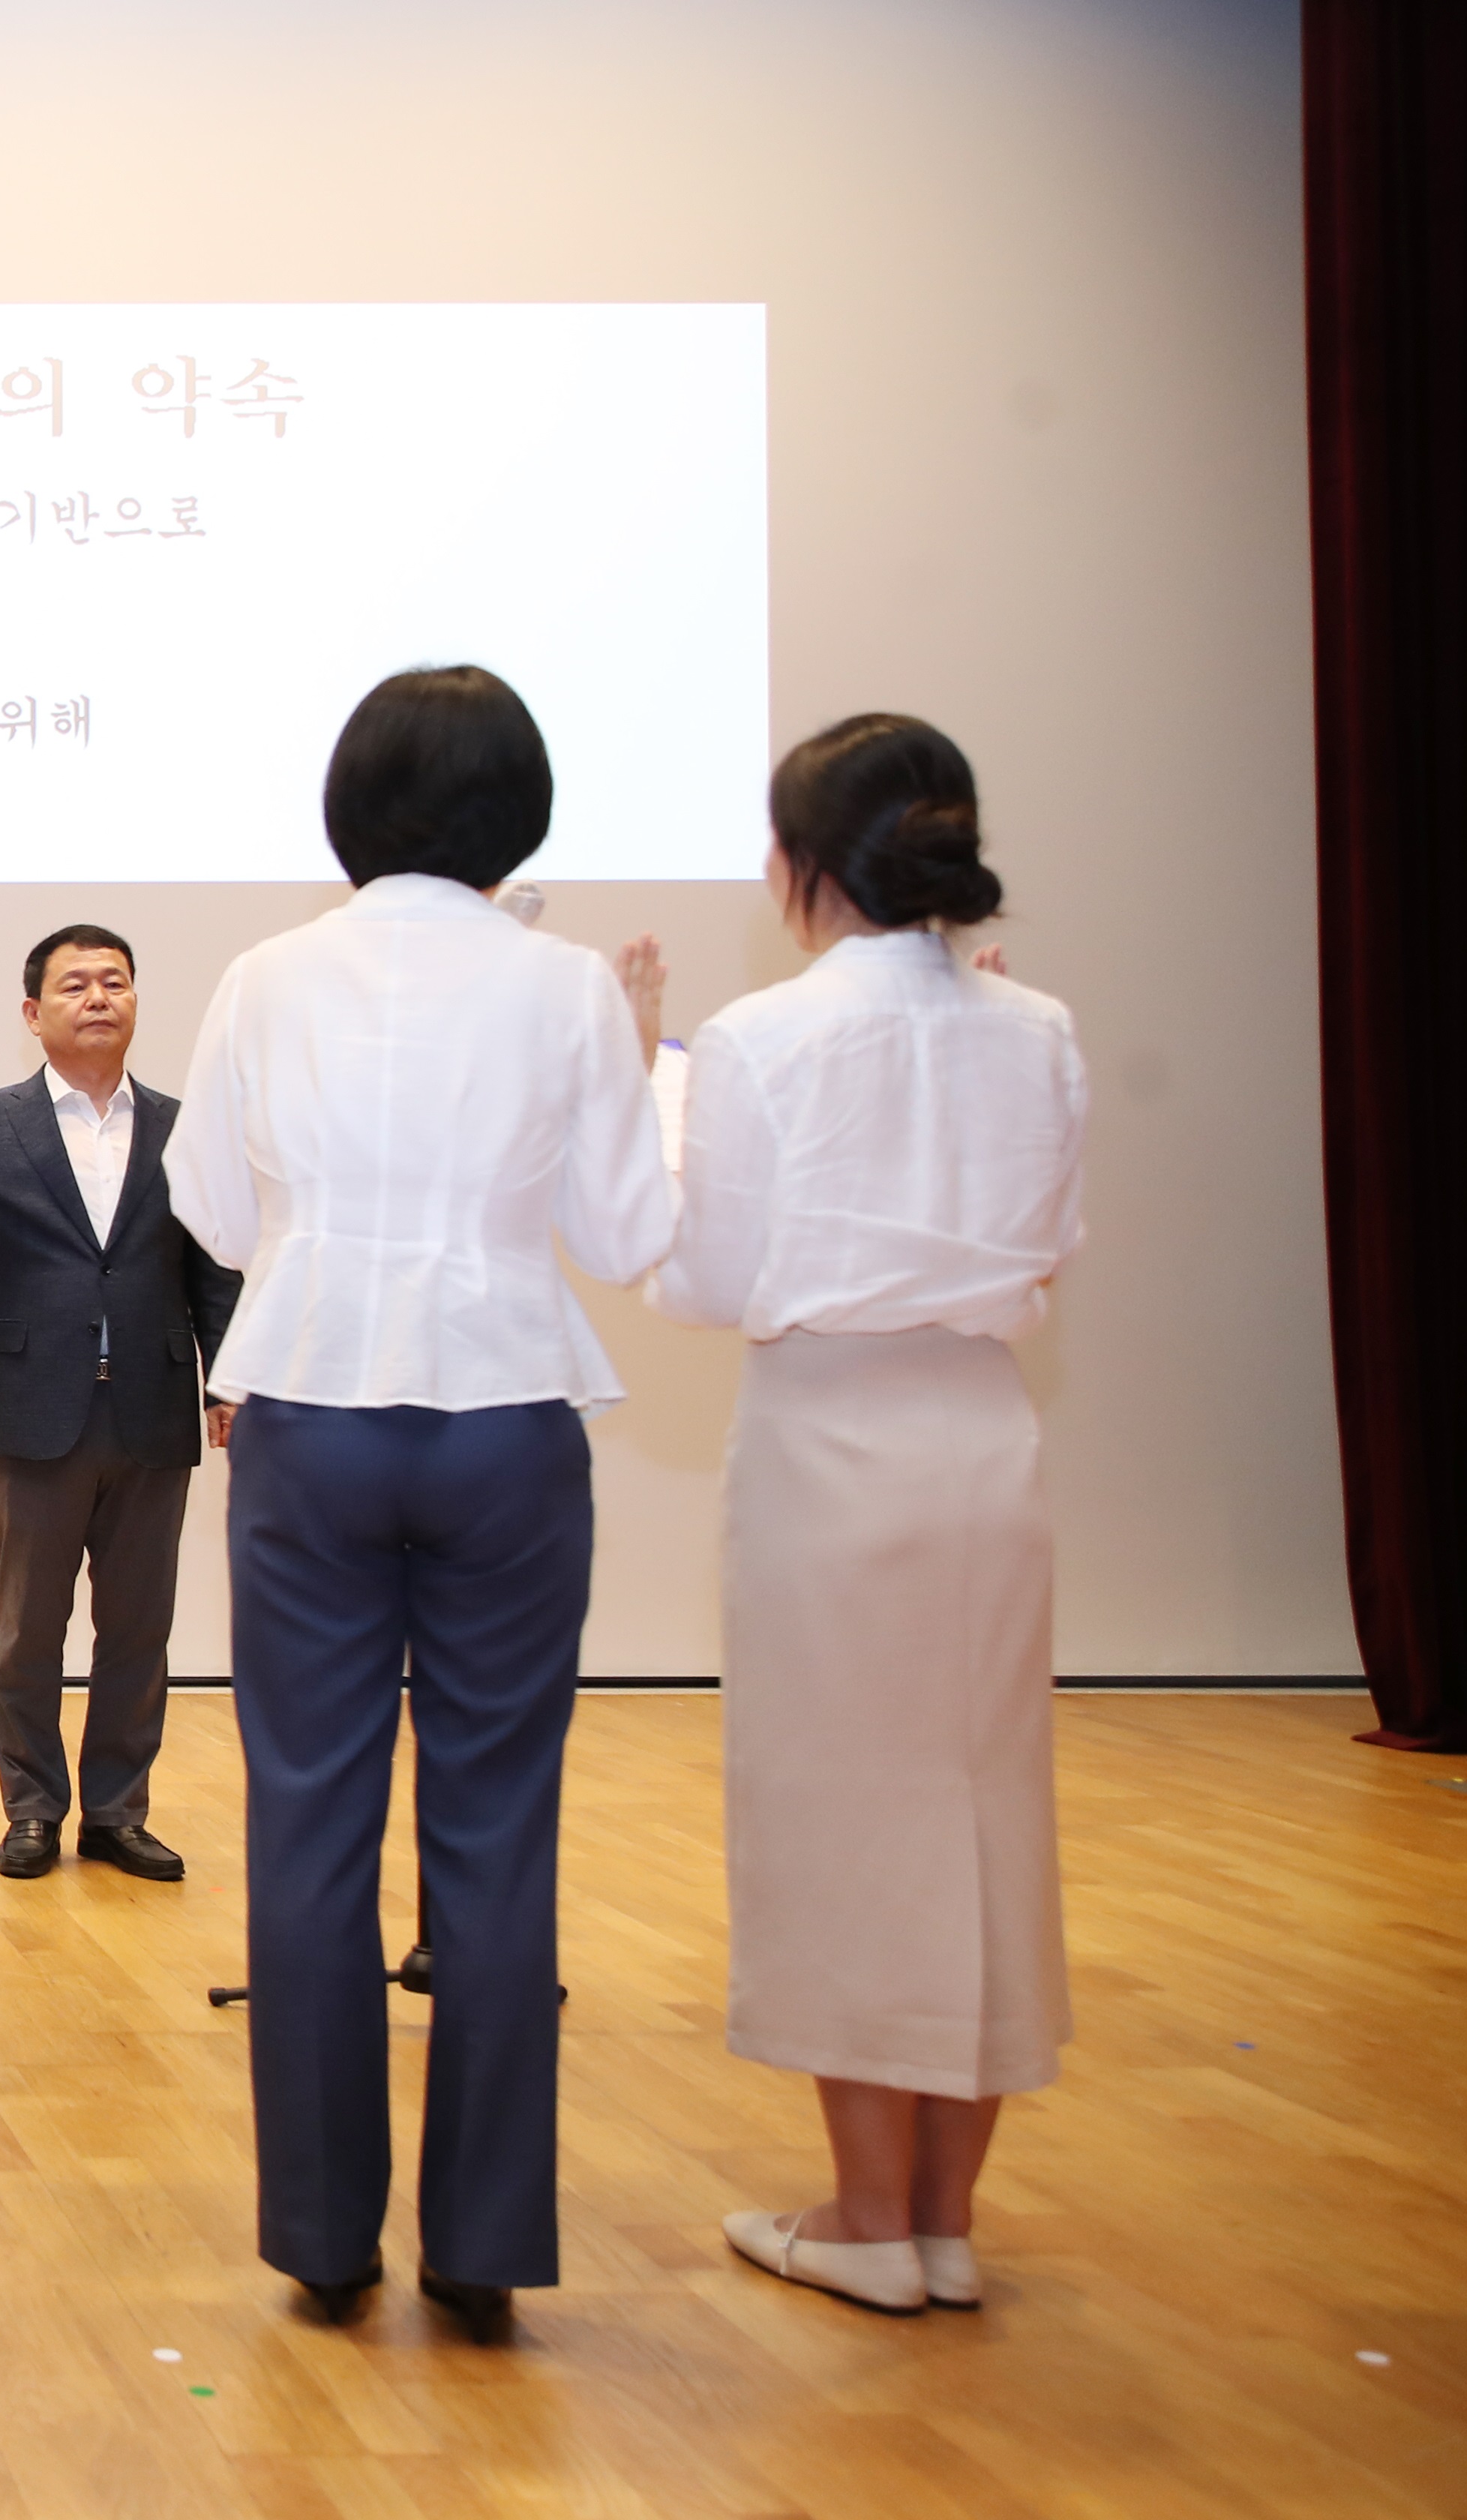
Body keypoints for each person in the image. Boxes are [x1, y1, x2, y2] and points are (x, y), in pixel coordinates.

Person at [162, 665, 674, 2342]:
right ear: (515, 812)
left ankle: (318, 2235)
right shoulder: (568, 987)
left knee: (306, 1823)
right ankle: (480, 2247)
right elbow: (619, 1234)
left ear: (346, 801)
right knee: (494, 1832)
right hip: (505, 1411)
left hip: (307, 1406)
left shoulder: (262, 976)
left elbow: (218, 1219)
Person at [644, 714, 1084, 2318]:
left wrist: (652, 1105)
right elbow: (1050, 1244)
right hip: (980, 1437)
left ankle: (860, 2216)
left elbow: (700, 1280)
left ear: (797, 864)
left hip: (828, 1438)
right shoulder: (1034, 1027)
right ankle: (944, 2224)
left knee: (840, 1823)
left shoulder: (762, 1039)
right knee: (979, 1813)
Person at [0, 926, 241, 1880]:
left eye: (115, 981)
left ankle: (117, 1812)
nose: (98, 997)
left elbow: (211, 1267)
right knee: (29, 1630)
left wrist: (231, 1378)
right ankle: (31, 1807)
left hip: (152, 1412)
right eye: (74, 985)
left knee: (137, 1632)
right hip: (32, 1412)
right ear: (34, 1015)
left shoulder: (182, 1125)